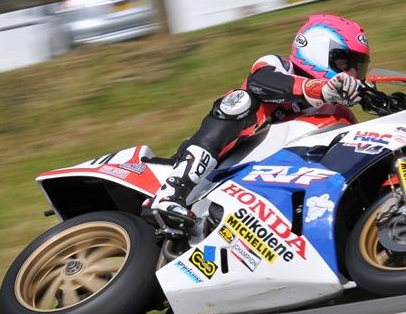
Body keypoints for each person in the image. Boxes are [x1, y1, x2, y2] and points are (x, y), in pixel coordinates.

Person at [147, 13, 371, 226]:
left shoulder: (333, 108)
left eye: (357, 67)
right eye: (344, 63)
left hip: (270, 179)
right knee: (240, 101)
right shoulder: (277, 65)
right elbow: (260, 82)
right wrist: (318, 89)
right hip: (220, 163)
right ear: (317, 51)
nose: (351, 74)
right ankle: (172, 192)